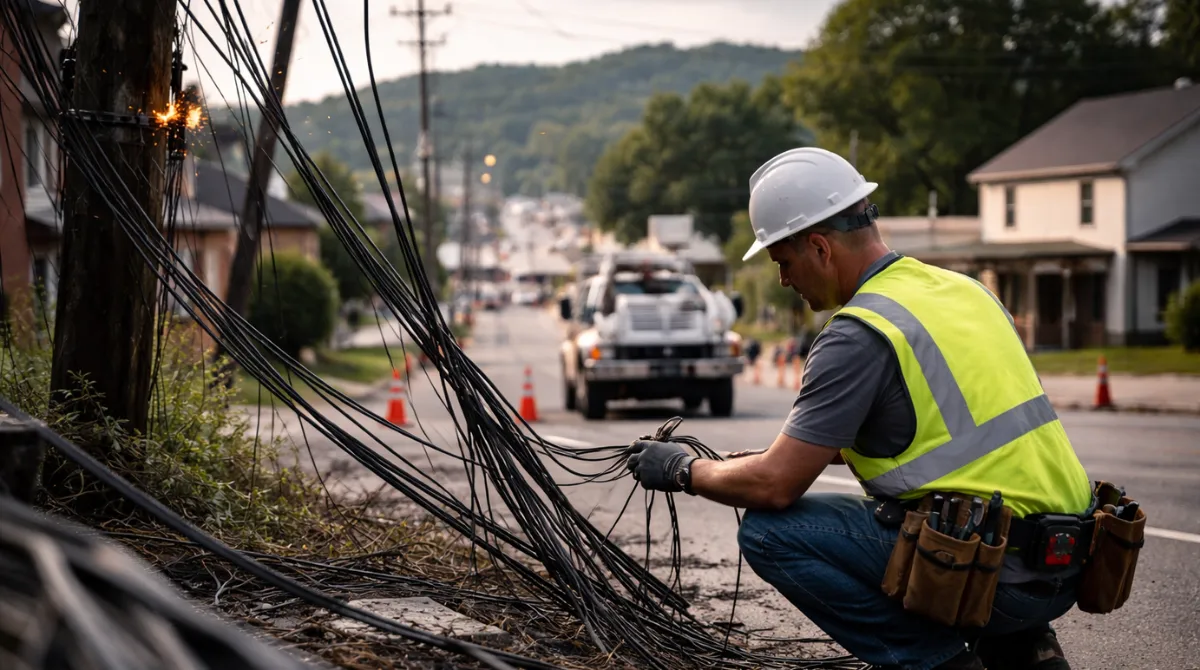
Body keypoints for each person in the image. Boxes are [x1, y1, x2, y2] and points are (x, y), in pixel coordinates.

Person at [624, 148, 1095, 670]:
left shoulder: (857, 333)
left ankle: (936, 662)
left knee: (769, 533)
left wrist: (683, 469)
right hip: (1066, 565)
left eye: (784, 262)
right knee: (963, 521)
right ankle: (1026, 650)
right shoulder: (966, 292)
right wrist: (786, 455)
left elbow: (774, 488)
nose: (784, 280)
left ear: (820, 248)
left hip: (995, 575)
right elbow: (951, 440)